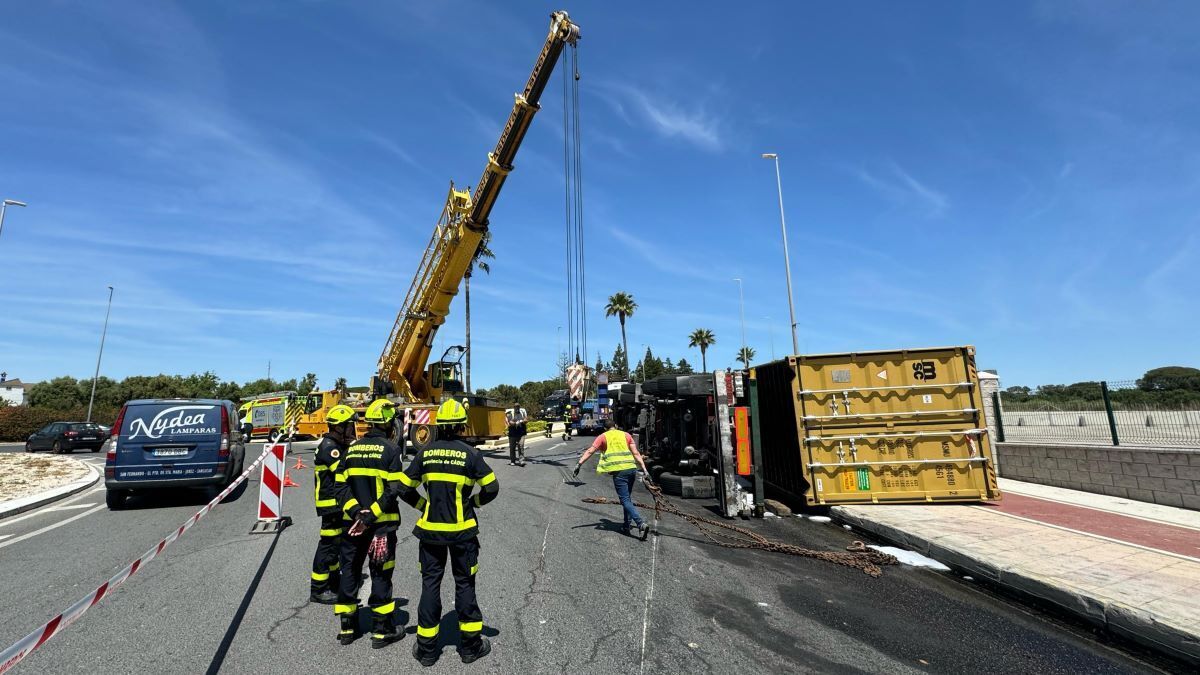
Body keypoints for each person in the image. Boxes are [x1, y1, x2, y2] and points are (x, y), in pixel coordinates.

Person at [371, 399, 499, 667]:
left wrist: (422, 506)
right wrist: (471, 503)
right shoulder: (471, 455)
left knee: (430, 585)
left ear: (438, 426)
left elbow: (402, 487)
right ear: (462, 426)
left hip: (430, 534)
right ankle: (470, 647)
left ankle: (427, 650)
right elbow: (492, 488)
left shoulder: (424, 453)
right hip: (463, 533)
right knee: (465, 584)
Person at [334, 399, 405, 649]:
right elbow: (393, 489)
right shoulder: (391, 450)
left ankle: (347, 628)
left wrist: (356, 513)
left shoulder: (350, 450)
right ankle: (381, 631)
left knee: (350, 571)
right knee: (381, 574)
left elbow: (339, 487)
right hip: (380, 527)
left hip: (352, 526)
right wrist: (370, 516)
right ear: (387, 424)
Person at [572, 418, 652, 540]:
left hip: (619, 472)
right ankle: (626, 526)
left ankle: (640, 523)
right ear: (616, 425)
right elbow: (636, 453)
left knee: (625, 500)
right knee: (627, 499)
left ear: (605, 428)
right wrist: (645, 471)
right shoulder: (626, 435)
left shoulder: (603, 436)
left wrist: (579, 464)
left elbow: (590, 451)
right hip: (631, 469)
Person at [309, 404, 357, 605]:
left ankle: (333, 581)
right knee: (328, 545)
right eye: (349, 426)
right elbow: (344, 470)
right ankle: (319, 589)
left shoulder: (336, 446)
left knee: (336, 544)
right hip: (331, 504)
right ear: (339, 428)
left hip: (336, 503)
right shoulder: (330, 448)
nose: (352, 430)